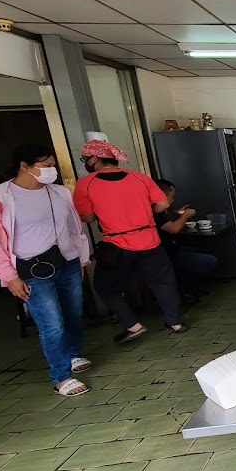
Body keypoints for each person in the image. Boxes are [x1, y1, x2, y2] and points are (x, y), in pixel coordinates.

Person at [0, 144, 92, 397]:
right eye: (46, 166)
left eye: (52, 165)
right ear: (24, 166)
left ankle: (73, 353)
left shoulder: (60, 193)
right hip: (31, 269)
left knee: (74, 313)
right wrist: (9, 276)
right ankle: (61, 376)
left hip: (66, 262)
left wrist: (81, 260)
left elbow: (74, 228)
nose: (51, 170)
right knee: (52, 323)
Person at [73, 133, 186, 342]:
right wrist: (141, 212)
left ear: (95, 159)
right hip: (149, 239)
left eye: (86, 159)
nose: (86, 163)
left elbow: (87, 218)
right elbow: (163, 204)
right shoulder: (139, 177)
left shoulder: (85, 184)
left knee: (105, 285)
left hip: (117, 244)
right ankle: (176, 322)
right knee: (163, 282)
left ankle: (132, 325)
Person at [153, 179, 218, 302]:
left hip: (172, 250)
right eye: (171, 197)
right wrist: (185, 215)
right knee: (209, 261)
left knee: (198, 249)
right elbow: (174, 229)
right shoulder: (152, 213)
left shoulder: (158, 212)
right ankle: (183, 290)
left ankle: (189, 288)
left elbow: (165, 221)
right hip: (166, 257)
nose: (172, 201)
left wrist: (176, 214)